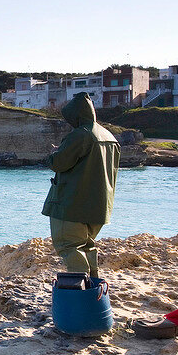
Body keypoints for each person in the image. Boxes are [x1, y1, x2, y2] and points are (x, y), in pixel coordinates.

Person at [42, 92, 121, 282]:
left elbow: (59, 163)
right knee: (87, 246)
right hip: (99, 207)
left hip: (72, 204)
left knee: (69, 246)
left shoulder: (81, 135)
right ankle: (94, 287)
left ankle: (80, 295)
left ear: (75, 115)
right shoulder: (109, 136)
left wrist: (54, 153)